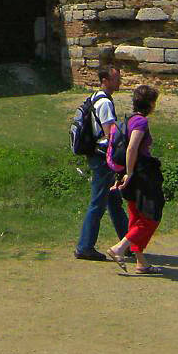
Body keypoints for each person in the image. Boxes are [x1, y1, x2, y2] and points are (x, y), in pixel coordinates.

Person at [105, 84, 164, 275]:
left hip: (129, 174)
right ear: (150, 104)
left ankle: (141, 262)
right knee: (151, 216)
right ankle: (119, 248)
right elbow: (132, 148)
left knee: (136, 215)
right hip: (141, 175)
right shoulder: (140, 122)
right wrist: (129, 174)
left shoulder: (128, 119)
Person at [74, 65, 130, 261]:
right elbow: (110, 134)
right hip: (102, 158)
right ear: (105, 80)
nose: (119, 82)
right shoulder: (104, 103)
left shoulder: (95, 97)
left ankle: (127, 244)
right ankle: (85, 247)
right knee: (98, 202)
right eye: (116, 79)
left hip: (97, 155)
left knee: (113, 201)